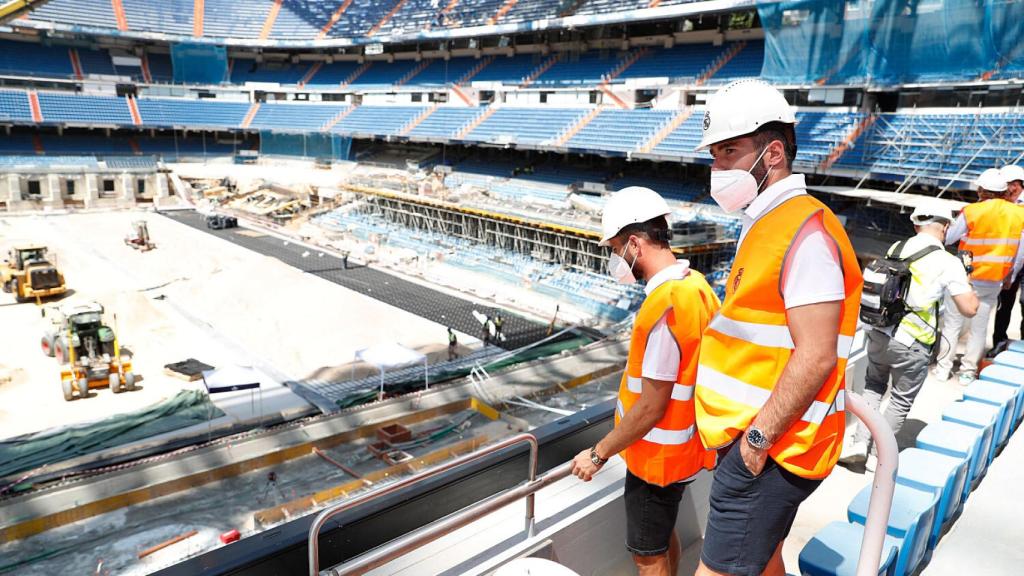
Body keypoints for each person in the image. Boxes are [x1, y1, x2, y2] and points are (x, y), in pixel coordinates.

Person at [691, 79, 863, 576]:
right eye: (715, 155)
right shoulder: (767, 220)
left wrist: (754, 445)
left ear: (771, 153)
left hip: (772, 446)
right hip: (760, 438)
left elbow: (815, 355)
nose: (717, 168)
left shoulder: (804, 231)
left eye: (728, 152)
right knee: (766, 562)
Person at [571, 186, 720, 576]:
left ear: (634, 244)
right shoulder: (697, 287)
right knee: (660, 535)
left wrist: (598, 454)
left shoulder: (664, 306)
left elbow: (652, 405)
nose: (614, 259)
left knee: (646, 554)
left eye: (615, 248)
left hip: (656, 462)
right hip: (681, 453)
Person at [840, 205, 979, 468]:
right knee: (901, 399)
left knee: (873, 387)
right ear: (946, 227)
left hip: (879, 332)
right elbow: (969, 309)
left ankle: (859, 441)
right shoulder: (949, 262)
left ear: (916, 226)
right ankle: (879, 458)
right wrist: (966, 278)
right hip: (913, 341)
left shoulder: (897, 248)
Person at [936, 168, 1024, 384]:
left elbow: (948, 239)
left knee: (952, 324)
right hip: (993, 280)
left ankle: (943, 368)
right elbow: (1019, 251)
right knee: (980, 327)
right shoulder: (1018, 213)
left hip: (965, 277)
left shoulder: (972, 211)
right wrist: (1009, 277)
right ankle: (968, 370)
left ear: (982, 190)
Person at [991, 164, 1024, 349]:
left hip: (1019, 261)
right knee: (1003, 305)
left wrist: (1011, 273)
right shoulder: (1003, 204)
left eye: (1007, 185)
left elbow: (1022, 244)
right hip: (1007, 260)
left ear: (1017, 184)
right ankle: (999, 342)